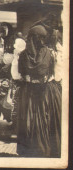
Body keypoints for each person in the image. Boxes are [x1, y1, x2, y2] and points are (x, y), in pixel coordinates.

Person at [17, 25, 61, 157]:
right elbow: (55, 74)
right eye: (40, 38)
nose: (41, 41)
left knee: (33, 120)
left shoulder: (23, 55)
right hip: (47, 91)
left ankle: (34, 150)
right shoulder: (50, 53)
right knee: (46, 119)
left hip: (31, 92)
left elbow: (20, 75)